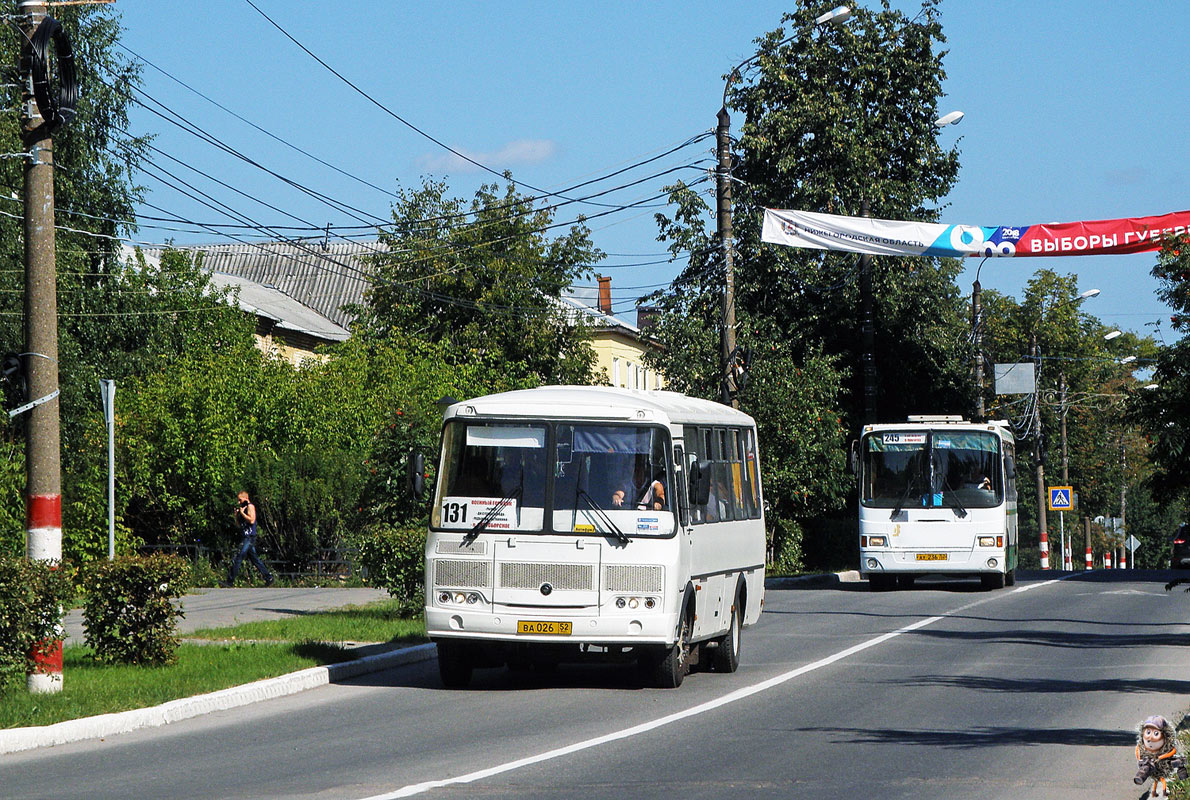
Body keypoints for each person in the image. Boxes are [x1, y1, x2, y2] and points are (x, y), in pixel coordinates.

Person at [223, 490, 274, 587]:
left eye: (240, 500)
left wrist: (242, 513)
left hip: (249, 537)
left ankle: (230, 581)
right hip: (244, 535)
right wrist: (236, 516)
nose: (239, 502)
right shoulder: (243, 508)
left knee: (239, 556)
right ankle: (268, 577)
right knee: (254, 559)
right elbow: (239, 525)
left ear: (245, 498)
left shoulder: (250, 506)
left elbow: (251, 520)